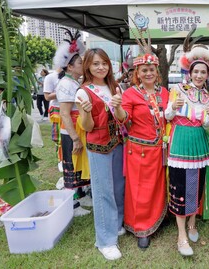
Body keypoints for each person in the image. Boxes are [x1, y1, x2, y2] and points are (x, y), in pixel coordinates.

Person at [165, 43, 209, 257]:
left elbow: (206, 124)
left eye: (203, 72)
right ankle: (181, 235)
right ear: (189, 72)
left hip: (199, 143)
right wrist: (172, 108)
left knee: (196, 185)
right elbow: (167, 116)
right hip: (180, 142)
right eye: (195, 71)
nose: (199, 75)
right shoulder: (177, 90)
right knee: (179, 187)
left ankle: (192, 223)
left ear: (208, 75)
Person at [76, 48, 125, 261]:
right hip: (98, 147)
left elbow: (122, 118)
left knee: (119, 187)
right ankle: (105, 241)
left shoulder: (115, 86)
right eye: (96, 64)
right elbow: (87, 127)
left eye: (104, 63)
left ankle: (117, 225)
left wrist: (119, 106)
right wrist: (86, 111)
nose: (101, 67)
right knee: (103, 191)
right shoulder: (83, 92)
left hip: (118, 143)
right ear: (87, 66)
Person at [120, 39, 169, 250]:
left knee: (158, 187)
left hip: (160, 149)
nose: (148, 73)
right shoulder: (130, 94)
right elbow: (124, 118)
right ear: (137, 73)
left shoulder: (164, 93)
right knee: (139, 190)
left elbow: (170, 117)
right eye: (144, 70)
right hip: (138, 150)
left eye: (151, 70)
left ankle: (158, 218)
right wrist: (116, 109)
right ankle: (141, 227)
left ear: (157, 72)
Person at [54, 30, 91, 217]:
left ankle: (81, 195)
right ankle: (72, 205)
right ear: (69, 67)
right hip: (71, 132)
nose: (82, 65)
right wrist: (75, 138)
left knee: (78, 165)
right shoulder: (66, 85)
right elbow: (65, 114)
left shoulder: (74, 82)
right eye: (79, 63)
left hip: (79, 130)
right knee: (70, 166)